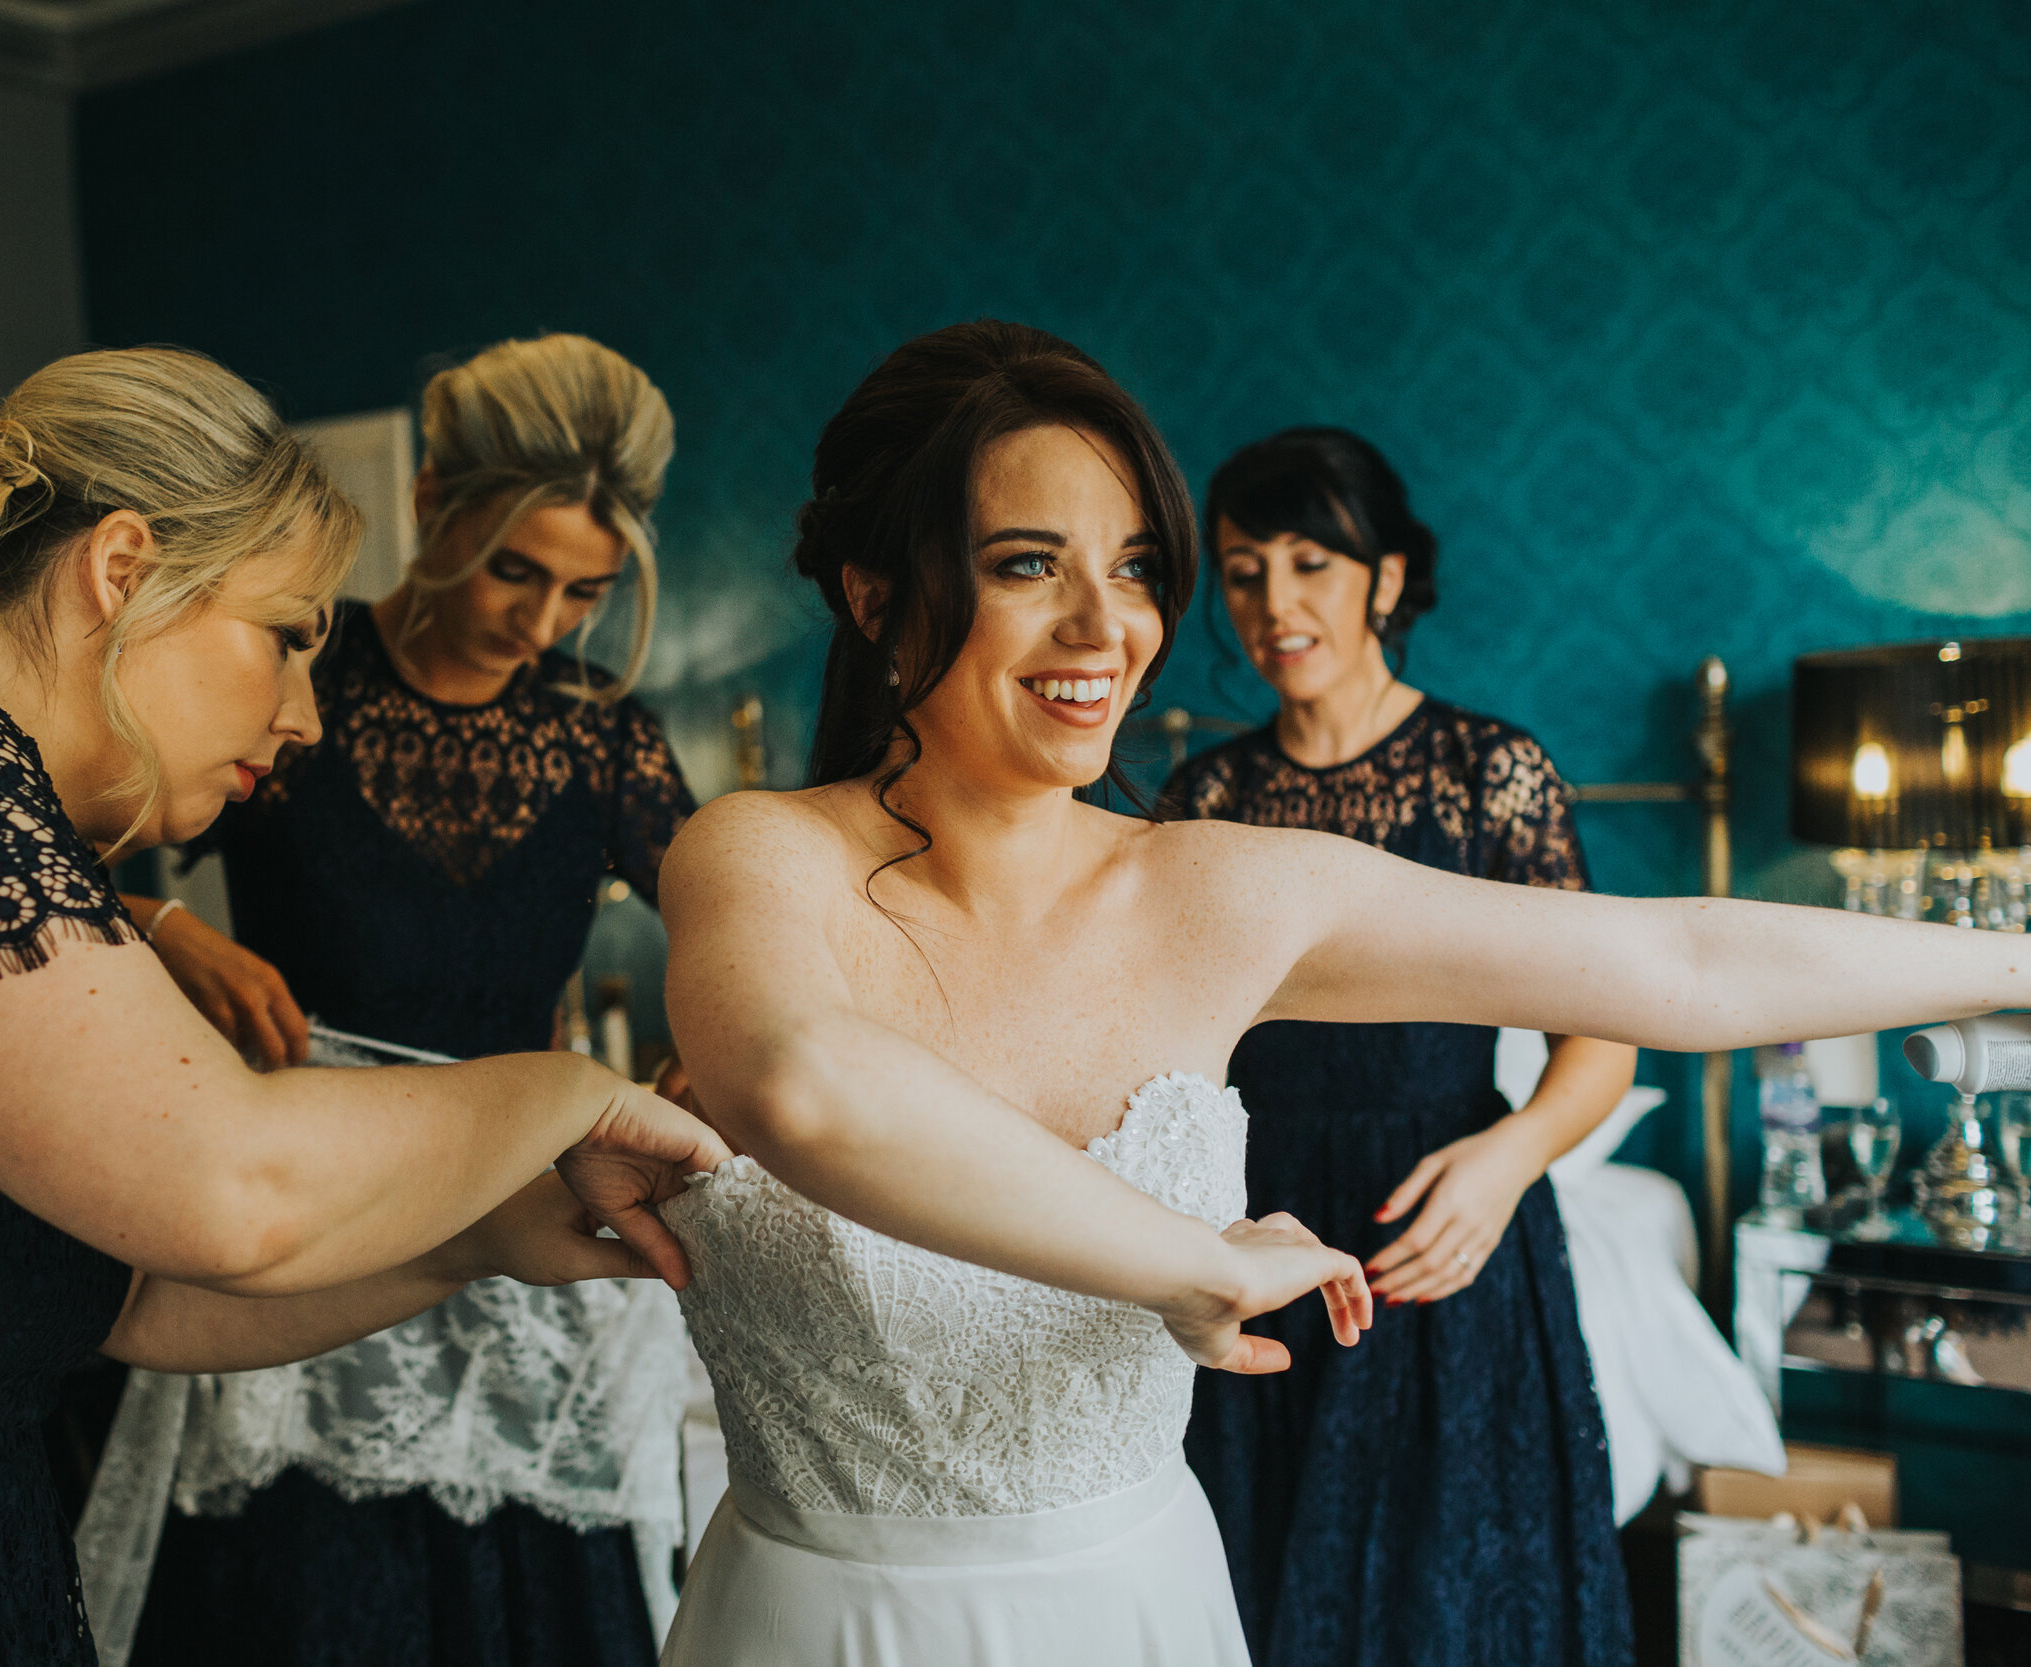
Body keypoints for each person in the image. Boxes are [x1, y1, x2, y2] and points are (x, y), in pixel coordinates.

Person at [650, 320, 2031, 1667]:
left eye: (1136, 567)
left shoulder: (1221, 885)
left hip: (1134, 1606)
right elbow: (804, 1085)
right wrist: (1196, 1260)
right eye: (1027, 563)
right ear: (871, 590)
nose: (1107, 624)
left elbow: (1685, 960)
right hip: (816, 1617)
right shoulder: (758, 856)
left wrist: (2019, 962)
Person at [0, 346, 724, 1667]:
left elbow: (134, 1297)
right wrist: (564, 1089)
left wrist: (486, 1236)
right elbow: (229, 1187)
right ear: (121, 568)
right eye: (284, 636)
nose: (305, 717)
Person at [102, 334, 696, 1667]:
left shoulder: (603, 733)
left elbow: (739, 950)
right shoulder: (297, 672)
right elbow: (51, 852)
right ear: (433, 506)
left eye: (582, 593)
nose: (541, 623)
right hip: (307, 1228)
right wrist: (168, 927)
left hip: (522, 1234)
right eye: (514, 570)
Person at [1161, 427, 1637, 1666]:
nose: (1273, 601)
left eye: (1311, 562)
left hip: (1444, 1222)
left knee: (1457, 1590)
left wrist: (1506, 1159)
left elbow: (1605, 1040)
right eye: (1245, 568)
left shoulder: (1494, 776)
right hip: (1256, 1228)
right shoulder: (1204, 802)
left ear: (1382, 579)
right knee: (1261, 1582)